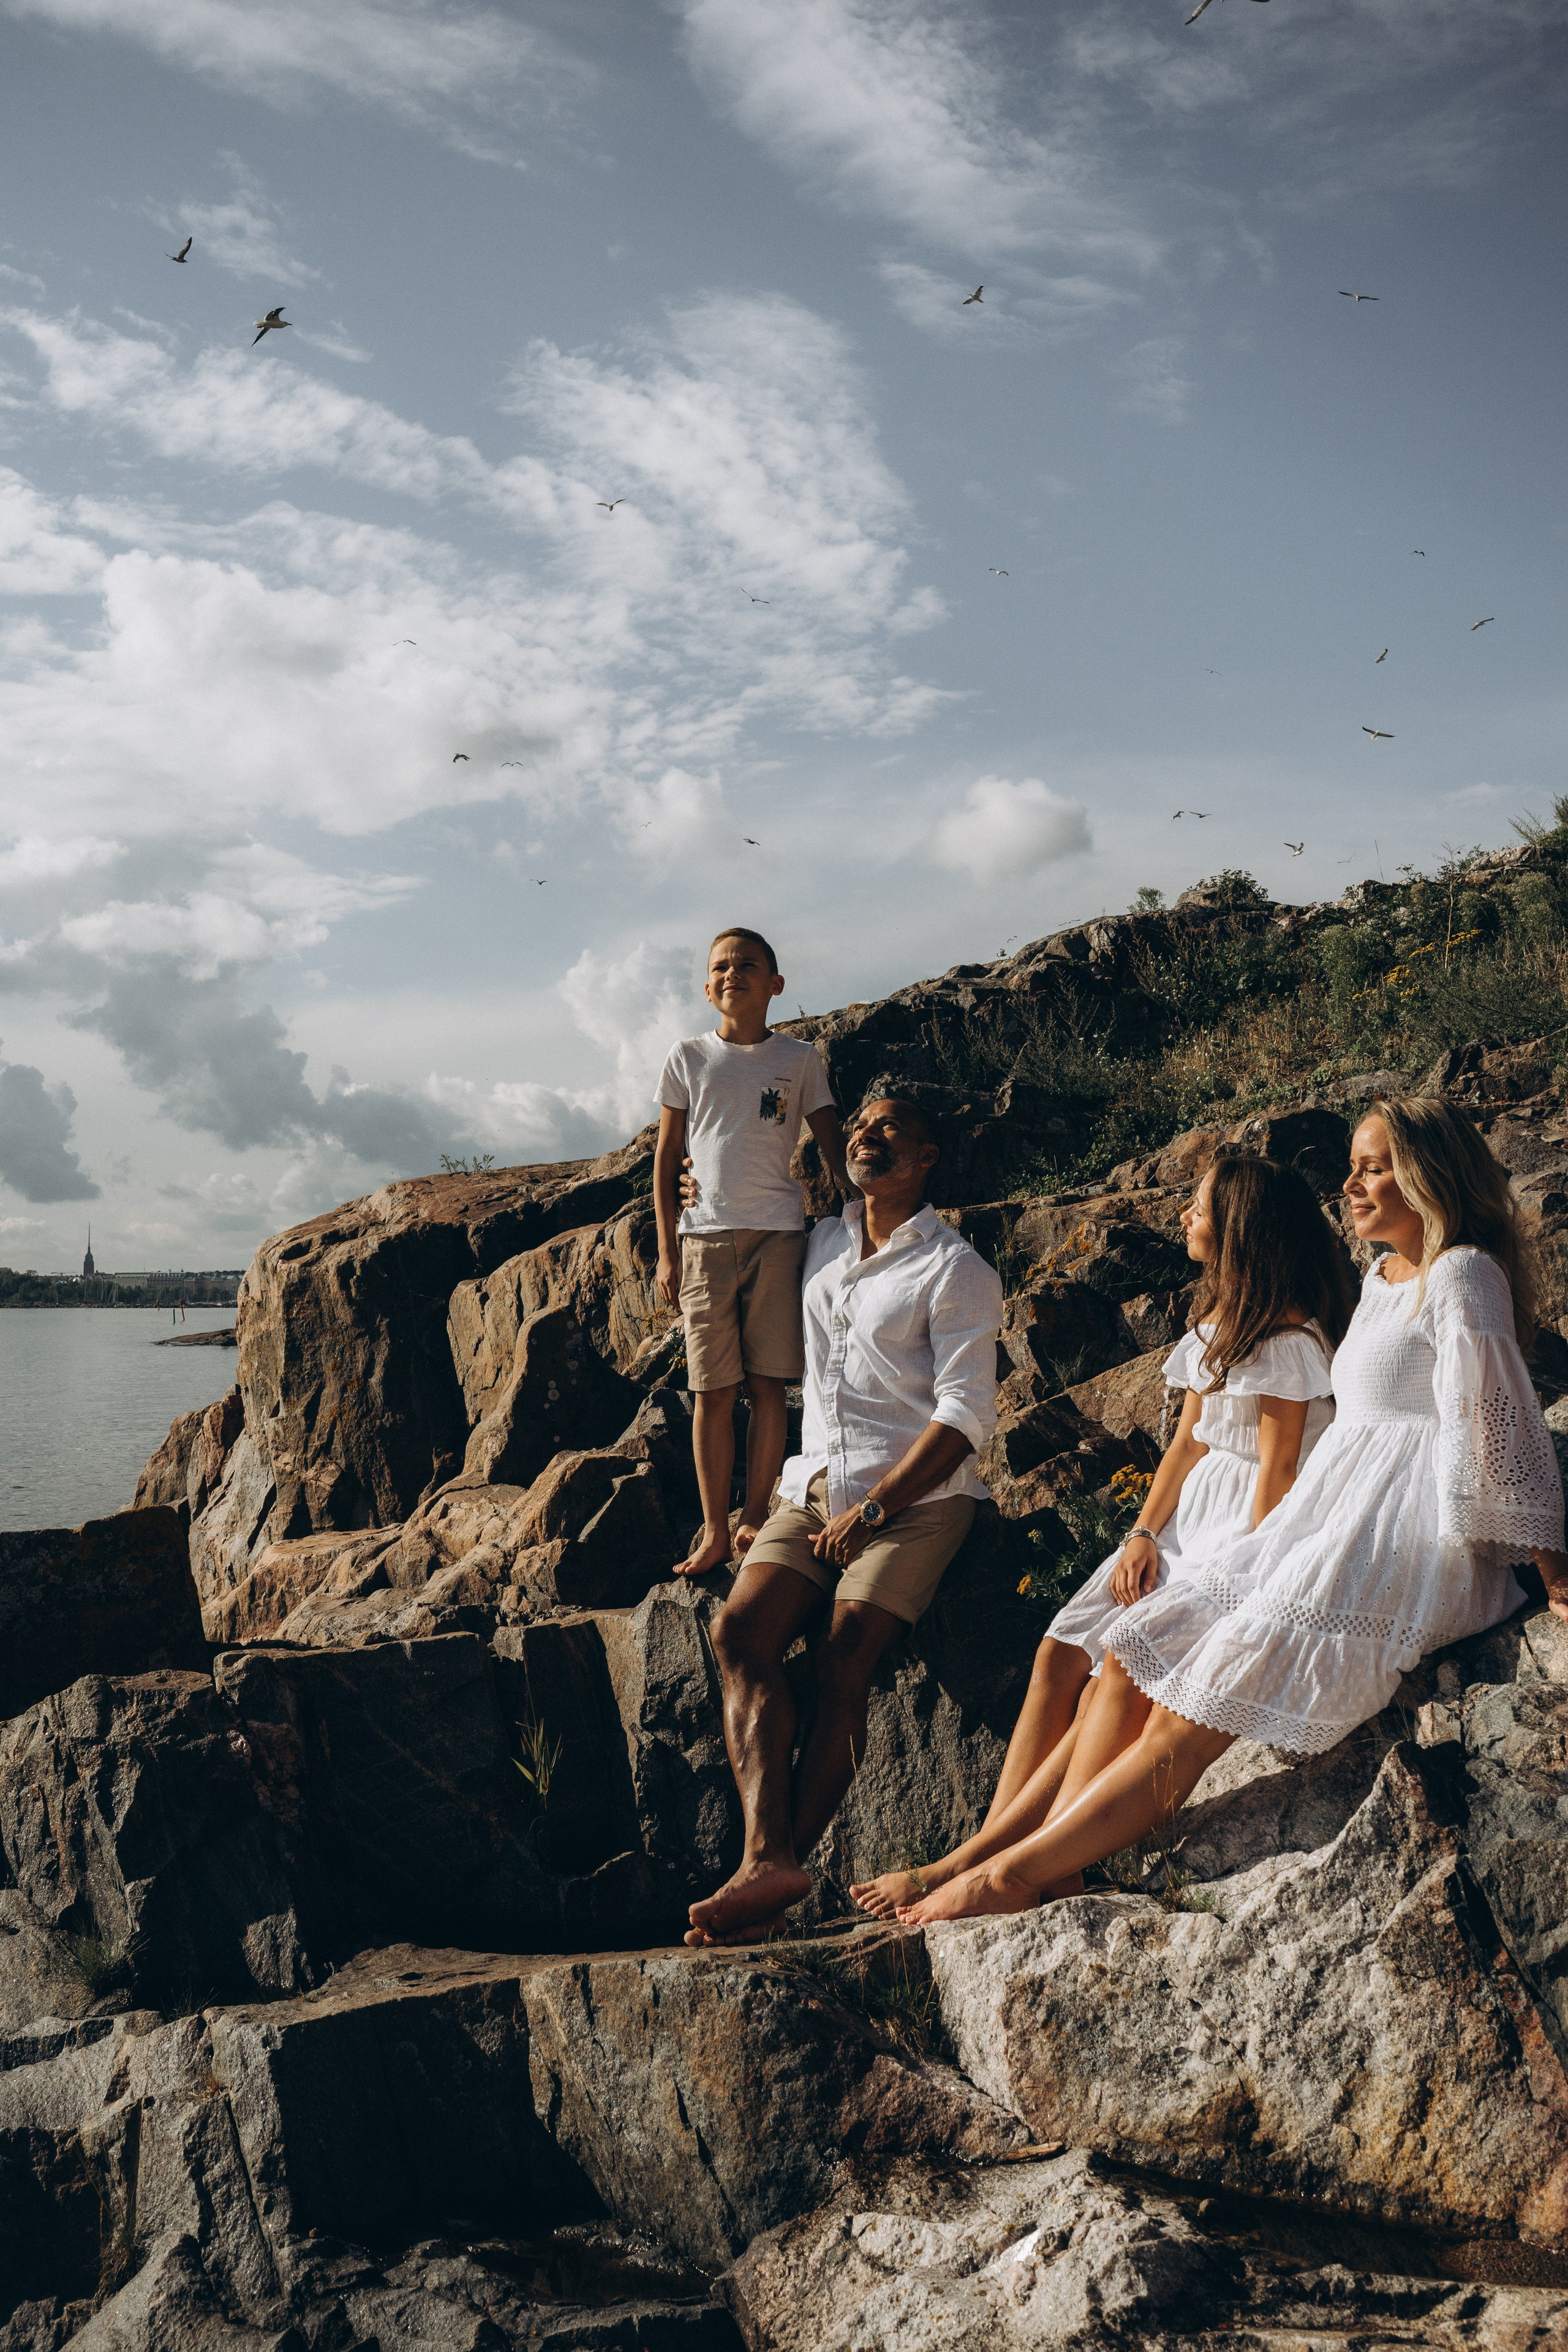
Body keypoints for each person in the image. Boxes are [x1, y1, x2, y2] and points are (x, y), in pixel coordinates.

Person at [897, 1098, 1568, 1924]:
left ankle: (1016, 1874)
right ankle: (1053, 1860)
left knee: (1209, 1693)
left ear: (1430, 1175)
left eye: (1373, 1166)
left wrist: (1550, 1569)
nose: (1350, 1184)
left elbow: (1498, 1416)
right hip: (1330, 1516)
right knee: (1142, 1647)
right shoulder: (1383, 1278)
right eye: (1353, 1165)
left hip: (1401, 1532)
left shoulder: (1464, 1272)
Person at [851, 1150, 1353, 1921]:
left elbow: (1277, 1476)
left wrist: (1244, 1585)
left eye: (1200, 1205)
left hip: (1238, 1536)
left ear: (1239, 1228)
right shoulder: (1218, 1324)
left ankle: (1020, 1865)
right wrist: (1142, 1534)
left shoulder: (1287, 1339)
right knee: (1059, 1654)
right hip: (1184, 1521)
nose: (1185, 1215)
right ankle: (986, 1850)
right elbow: (1187, 1444)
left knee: (1114, 1682)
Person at [684, 1095, 1003, 1947]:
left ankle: (776, 1872)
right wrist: (693, 1184)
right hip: (813, 1486)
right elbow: (737, 1215)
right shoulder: (821, 1241)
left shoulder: (955, 1268)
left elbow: (965, 1417)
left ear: (929, 1155)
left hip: (918, 1501)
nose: (867, 1132)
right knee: (740, 1635)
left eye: (892, 1125)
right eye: (858, 1121)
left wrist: (874, 1510)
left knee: (844, 1650)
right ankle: (769, 1860)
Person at [654, 928, 851, 1577]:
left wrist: (862, 1214)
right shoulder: (688, 1057)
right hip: (703, 1237)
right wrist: (664, 1250)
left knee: (769, 1384)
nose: (732, 973)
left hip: (777, 1233)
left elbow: (830, 1140)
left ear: (775, 984)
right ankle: (714, 1529)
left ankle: (757, 1515)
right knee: (713, 1389)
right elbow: (667, 1156)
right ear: (707, 987)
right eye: (720, 967)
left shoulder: (799, 1060)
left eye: (747, 965)